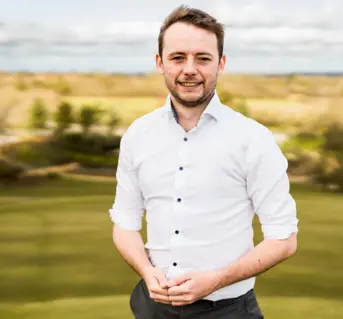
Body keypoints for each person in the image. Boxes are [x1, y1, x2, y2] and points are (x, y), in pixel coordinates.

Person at [109, 5, 299, 318]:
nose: (190, 69)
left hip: (227, 311)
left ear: (220, 64)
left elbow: (283, 239)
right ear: (160, 62)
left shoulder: (253, 139)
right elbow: (125, 224)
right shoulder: (138, 135)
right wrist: (145, 269)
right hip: (152, 308)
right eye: (178, 57)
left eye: (203, 58)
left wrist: (215, 281)